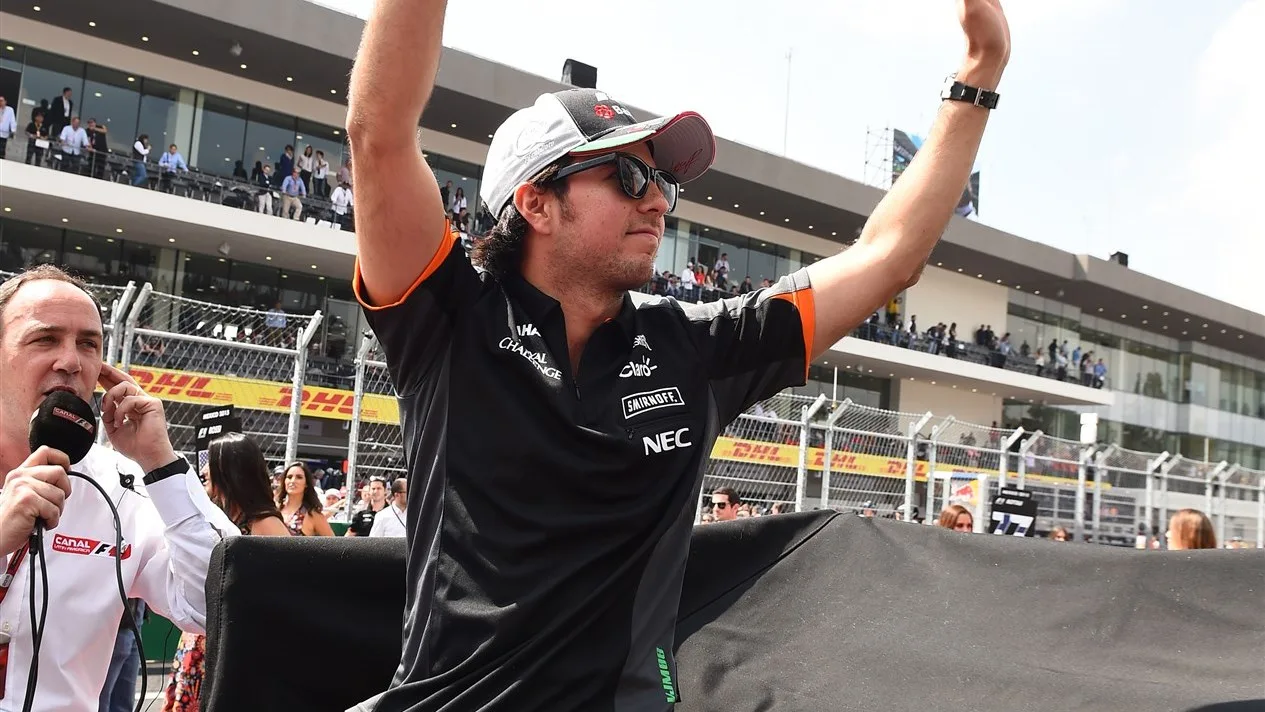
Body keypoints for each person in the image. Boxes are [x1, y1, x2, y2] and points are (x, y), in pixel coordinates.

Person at [345, 0, 1009, 708]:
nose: (658, 204)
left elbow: (888, 258)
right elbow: (378, 134)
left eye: (662, 184)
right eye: (629, 178)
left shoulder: (691, 346)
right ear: (536, 203)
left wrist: (979, 73)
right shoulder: (450, 320)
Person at [0, 264, 238, 710]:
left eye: (88, 344)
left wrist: (159, 461)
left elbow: (218, 604)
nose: (71, 361)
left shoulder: (122, 485)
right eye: (45, 339)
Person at [162, 432, 289, 712]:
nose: (204, 470)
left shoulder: (265, 524)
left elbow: (283, 594)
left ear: (230, 471)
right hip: (202, 642)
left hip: (232, 651)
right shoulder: (220, 517)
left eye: (210, 462)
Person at [275, 461, 334, 537]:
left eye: (299, 477)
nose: (292, 481)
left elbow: (333, 542)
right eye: (289, 477)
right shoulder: (275, 508)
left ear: (306, 483)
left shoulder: (313, 514)